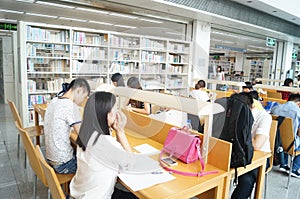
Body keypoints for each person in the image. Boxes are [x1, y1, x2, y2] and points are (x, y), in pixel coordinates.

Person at [70, 92, 138, 199]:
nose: (117, 113)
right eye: (115, 110)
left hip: (79, 193)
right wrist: (120, 132)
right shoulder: (107, 144)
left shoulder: (85, 135)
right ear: (108, 115)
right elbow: (131, 165)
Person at [44, 78, 91, 174]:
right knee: (94, 168)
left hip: (51, 157)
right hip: (63, 164)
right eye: (84, 96)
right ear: (79, 90)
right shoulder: (70, 106)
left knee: (76, 150)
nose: (82, 101)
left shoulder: (55, 100)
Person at [231, 92, 272, 198]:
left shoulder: (264, 117)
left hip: (260, 157)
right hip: (238, 153)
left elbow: (257, 145)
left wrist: (243, 126)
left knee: (246, 179)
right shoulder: (232, 114)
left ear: (252, 107)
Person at [271, 94, 300, 177]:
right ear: (298, 103)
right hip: (290, 145)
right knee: (292, 137)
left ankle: (283, 164)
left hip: (275, 142)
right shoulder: (298, 112)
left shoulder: (275, 108)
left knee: (285, 136)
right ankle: (294, 169)